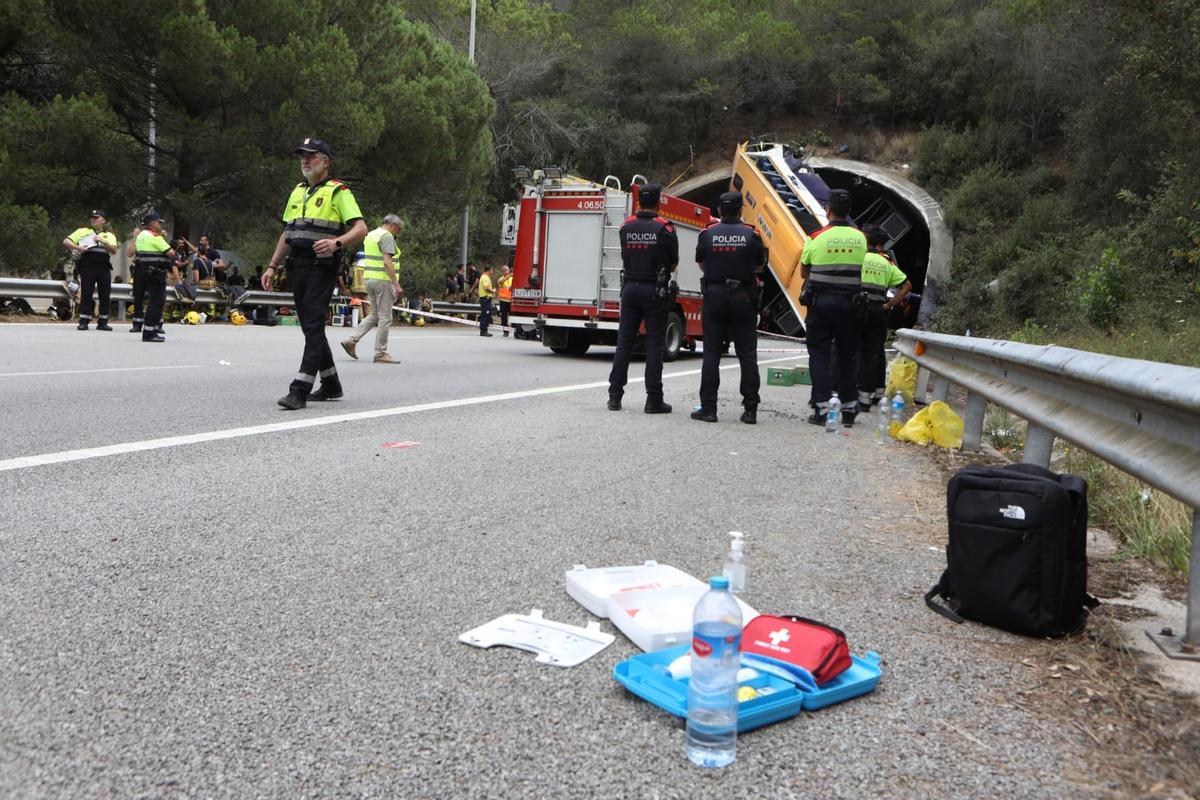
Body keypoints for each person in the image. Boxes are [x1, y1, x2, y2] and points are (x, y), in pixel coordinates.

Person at [264, 137, 367, 410]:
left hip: (322, 266)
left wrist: (336, 243)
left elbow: (360, 228)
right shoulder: (297, 191)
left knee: (311, 325)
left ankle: (299, 389)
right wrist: (273, 265)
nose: (305, 160)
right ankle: (331, 383)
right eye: (302, 156)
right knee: (312, 327)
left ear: (325, 162)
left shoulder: (338, 191)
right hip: (296, 266)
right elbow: (288, 233)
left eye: (312, 155)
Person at [691, 192, 766, 424]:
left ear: (720, 211)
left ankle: (709, 409)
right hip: (743, 297)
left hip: (714, 296)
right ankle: (751, 409)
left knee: (712, 354)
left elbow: (702, 263)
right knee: (747, 354)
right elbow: (760, 265)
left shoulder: (707, 234)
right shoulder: (752, 235)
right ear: (741, 210)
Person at [608, 183, 678, 414]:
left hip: (629, 288)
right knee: (654, 345)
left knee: (624, 343)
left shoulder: (625, 227)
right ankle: (653, 400)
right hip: (653, 291)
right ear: (658, 202)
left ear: (638, 202)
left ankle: (615, 397)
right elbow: (673, 262)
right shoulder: (664, 228)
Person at [799, 188, 867, 426]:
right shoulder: (861, 238)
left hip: (821, 304)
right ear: (849, 211)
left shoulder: (816, 237)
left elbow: (803, 270)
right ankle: (849, 408)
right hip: (850, 304)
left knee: (819, 354)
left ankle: (821, 408)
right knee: (848, 355)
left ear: (828, 210)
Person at [857, 225, 911, 412]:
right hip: (878, 311)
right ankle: (867, 399)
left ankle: (848, 393)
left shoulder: (859, 258)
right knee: (873, 353)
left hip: (857, 309)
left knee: (854, 351)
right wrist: (889, 305)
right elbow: (906, 286)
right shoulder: (887, 263)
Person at [341, 214, 404, 364]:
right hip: (383, 280)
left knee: (375, 314)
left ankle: (351, 340)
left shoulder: (371, 235)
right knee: (385, 317)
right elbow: (388, 262)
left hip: (369, 279)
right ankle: (380, 353)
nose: (398, 233)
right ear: (393, 226)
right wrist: (396, 284)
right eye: (398, 229)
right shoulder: (387, 236)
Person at [63, 210, 118, 330]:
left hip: (103, 267)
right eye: (92, 217)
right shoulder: (83, 231)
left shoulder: (109, 235)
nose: (93, 219)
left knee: (105, 294)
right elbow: (66, 241)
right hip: (87, 266)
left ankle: (103, 322)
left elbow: (114, 250)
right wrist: (78, 248)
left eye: (96, 217)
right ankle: (84, 321)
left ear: (103, 220)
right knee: (86, 293)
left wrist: (103, 241)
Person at [134, 212, 177, 343]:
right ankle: (149, 332)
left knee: (150, 301)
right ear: (153, 224)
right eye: (159, 222)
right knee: (157, 302)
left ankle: (148, 331)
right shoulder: (154, 237)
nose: (161, 225)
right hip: (156, 273)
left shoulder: (141, 235)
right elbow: (171, 253)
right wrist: (163, 239)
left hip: (142, 272)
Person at [477, 264, 495, 336]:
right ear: (489, 270)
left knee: (486, 314)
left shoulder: (485, 277)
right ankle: (483, 331)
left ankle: (484, 330)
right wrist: (493, 291)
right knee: (486, 315)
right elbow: (486, 288)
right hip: (485, 298)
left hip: (485, 299)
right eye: (492, 270)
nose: (492, 271)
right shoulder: (485, 277)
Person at [497, 264, 513, 336]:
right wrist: (508, 276)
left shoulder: (512, 278)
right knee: (504, 317)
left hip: (511, 301)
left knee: (513, 316)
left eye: (507, 270)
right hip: (503, 301)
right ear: (502, 272)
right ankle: (505, 332)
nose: (506, 272)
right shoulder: (501, 279)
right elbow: (501, 282)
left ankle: (515, 331)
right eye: (505, 270)